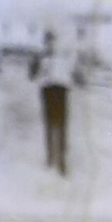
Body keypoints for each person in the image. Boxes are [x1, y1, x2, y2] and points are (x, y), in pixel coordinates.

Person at [32, 30, 78, 176]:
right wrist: (36, 63)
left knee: (62, 126)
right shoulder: (41, 56)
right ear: (44, 43)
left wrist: (73, 78)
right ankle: (50, 157)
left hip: (61, 91)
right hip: (47, 91)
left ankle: (62, 161)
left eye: (52, 41)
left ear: (55, 42)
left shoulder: (63, 57)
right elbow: (32, 75)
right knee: (49, 124)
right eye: (47, 41)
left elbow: (72, 74)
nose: (50, 44)